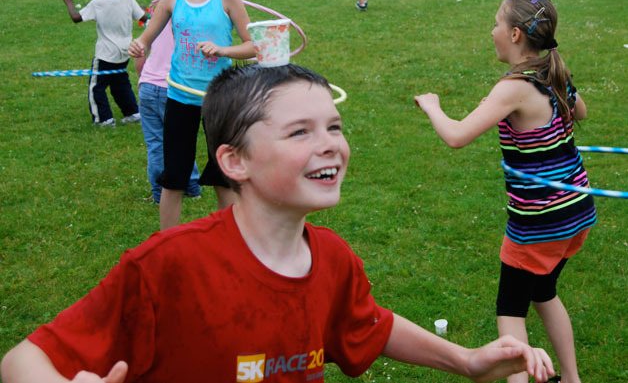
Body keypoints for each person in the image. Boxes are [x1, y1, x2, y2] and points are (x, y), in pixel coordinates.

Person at [1, 63, 557, 383]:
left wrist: (465, 360)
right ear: (233, 162)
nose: (331, 146)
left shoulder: (333, 258)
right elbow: (23, 360)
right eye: (300, 132)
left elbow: (369, 325)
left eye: (334, 127)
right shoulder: (170, 264)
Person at [415, 0, 596, 383]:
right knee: (543, 292)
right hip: (576, 212)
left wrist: (433, 106)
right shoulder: (552, 70)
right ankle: (571, 378)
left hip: (538, 223)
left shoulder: (514, 87)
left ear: (515, 34)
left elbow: (457, 136)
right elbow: (580, 112)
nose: (492, 31)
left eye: (496, 24)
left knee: (510, 310)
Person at [128, 0, 256, 230]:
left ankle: (230, 237)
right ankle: (167, 242)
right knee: (174, 175)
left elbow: (254, 46)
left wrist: (223, 49)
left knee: (223, 173)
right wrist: (139, 45)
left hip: (220, 99)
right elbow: (145, 39)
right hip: (181, 97)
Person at [135, 0, 202, 205]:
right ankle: (191, 187)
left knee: (156, 144)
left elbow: (140, 52)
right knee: (182, 141)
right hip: (175, 87)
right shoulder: (191, 20)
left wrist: (144, 77)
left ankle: (159, 193)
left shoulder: (157, 15)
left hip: (148, 86)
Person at [62, 0, 146, 127]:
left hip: (105, 55)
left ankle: (103, 119)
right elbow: (143, 18)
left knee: (96, 88)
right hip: (124, 53)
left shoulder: (98, 3)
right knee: (120, 82)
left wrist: (69, 2)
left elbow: (76, 18)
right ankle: (133, 113)